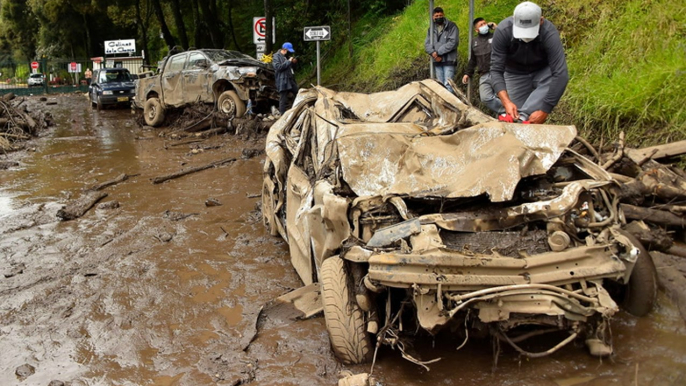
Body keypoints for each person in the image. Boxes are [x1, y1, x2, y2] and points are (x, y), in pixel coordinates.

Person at [490, 1, 568, 124]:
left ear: (541, 21)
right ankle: (521, 119)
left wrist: (545, 110)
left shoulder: (549, 33)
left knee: (529, 117)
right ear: (514, 20)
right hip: (514, 73)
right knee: (516, 118)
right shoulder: (503, 31)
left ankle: (526, 116)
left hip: (543, 71)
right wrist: (506, 102)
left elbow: (560, 74)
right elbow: (496, 70)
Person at [462, 18, 502, 114]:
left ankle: (505, 116)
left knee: (500, 96)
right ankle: (507, 110)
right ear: (476, 30)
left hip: (497, 72)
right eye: (481, 25)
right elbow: (473, 60)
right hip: (483, 74)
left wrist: (497, 28)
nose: (484, 25)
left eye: (485, 23)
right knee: (485, 98)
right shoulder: (474, 42)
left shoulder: (495, 36)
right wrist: (467, 73)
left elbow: (507, 37)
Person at [424, 7, 459, 93]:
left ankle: (449, 105)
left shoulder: (452, 26)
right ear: (433, 17)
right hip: (437, 61)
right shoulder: (431, 29)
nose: (439, 17)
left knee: (448, 85)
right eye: (436, 16)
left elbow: (453, 42)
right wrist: (433, 53)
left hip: (449, 60)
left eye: (440, 15)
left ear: (443, 15)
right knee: (440, 86)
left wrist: (438, 52)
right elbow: (427, 44)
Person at [272, 42, 299, 115]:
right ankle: (282, 114)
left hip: (290, 79)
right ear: (284, 49)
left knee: (297, 92)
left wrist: (293, 62)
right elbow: (278, 67)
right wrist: (288, 61)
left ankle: (297, 109)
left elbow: (290, 67)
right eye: (287, 51)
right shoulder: (276, 57)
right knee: (283, 98)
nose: (288, 53)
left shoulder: (286, 56)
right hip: (282, 80)